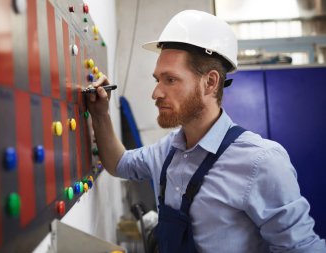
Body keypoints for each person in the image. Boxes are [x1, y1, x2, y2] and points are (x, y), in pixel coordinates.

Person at [86, 10, 326, 253]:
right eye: (157, 79)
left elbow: (301, 249)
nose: (156, 93)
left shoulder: (261, 161)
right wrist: (100, 114)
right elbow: (119, 163)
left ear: (210, 83)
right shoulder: (168, 150)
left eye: (170, 80)